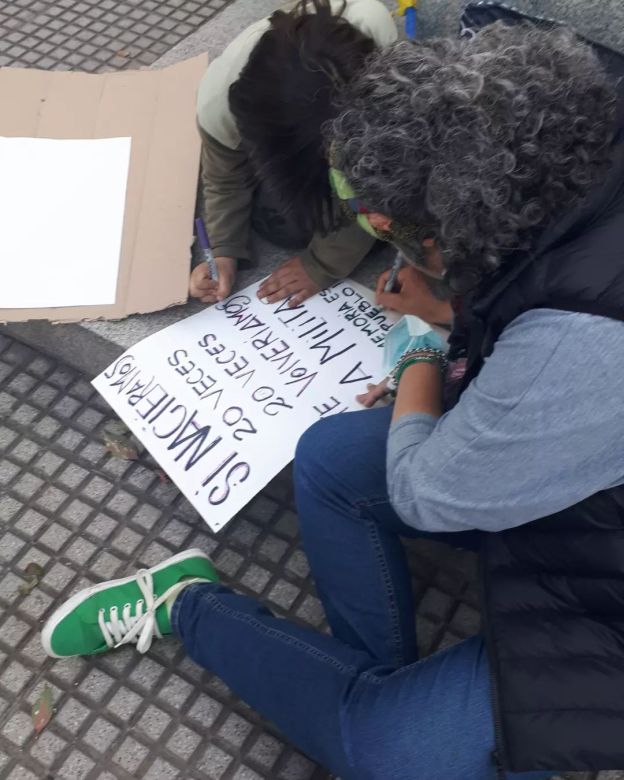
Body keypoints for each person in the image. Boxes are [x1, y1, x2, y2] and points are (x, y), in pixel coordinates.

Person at [41, 8, 624, 780]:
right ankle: (359, 681)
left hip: (600, 579)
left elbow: (424, 491)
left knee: (388, 748)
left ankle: (194, 610)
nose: (396, 251)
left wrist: (420, 351)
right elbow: (542, 302)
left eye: (405, 236)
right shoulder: (578, 157)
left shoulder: (576, 342)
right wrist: (455, 317)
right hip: (586, 486)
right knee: (330, 457)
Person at [189, 0, 397, 308]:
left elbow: (378, 181)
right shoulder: (217, 103)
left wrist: (322, 264)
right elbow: (224, 177)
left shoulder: (380, 56)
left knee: (388, 208)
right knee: (284, 224)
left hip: (369, 120)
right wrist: (223, 248)